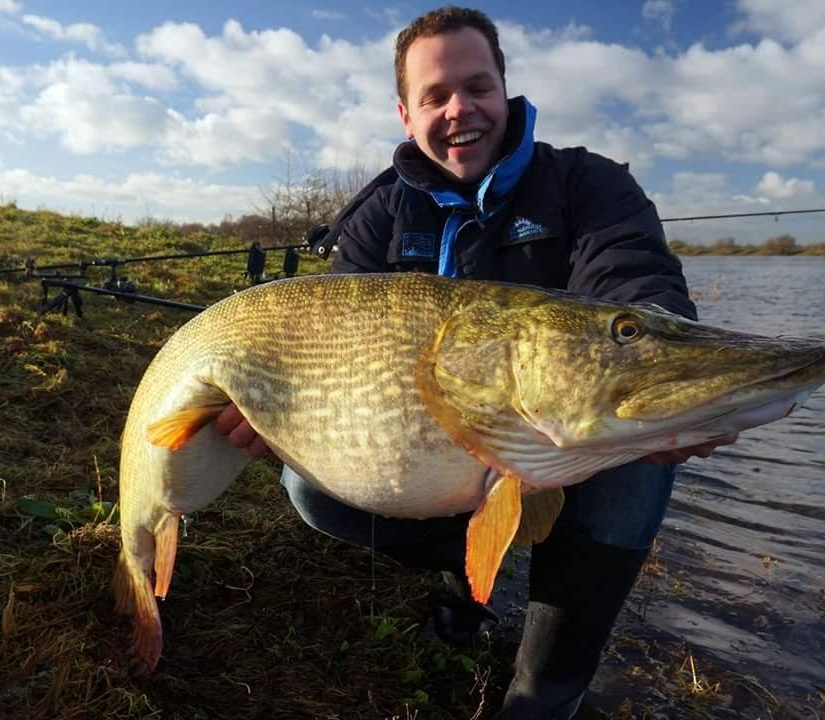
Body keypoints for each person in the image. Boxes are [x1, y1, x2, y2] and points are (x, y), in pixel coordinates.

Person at [214, 7, 736, 718]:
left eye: (477, 86)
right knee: (309, 487)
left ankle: (546, 686)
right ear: (407, 115)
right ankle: (466, 573)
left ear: (505, 90)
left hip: (566, 439)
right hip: (446, 447)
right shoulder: (378, 217)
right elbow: (326, 338)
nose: (460, 108)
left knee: (635, 449)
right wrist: (270, 409)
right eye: (435, 96)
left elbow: (635, 282)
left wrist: (666, 375)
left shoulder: (590, 185)